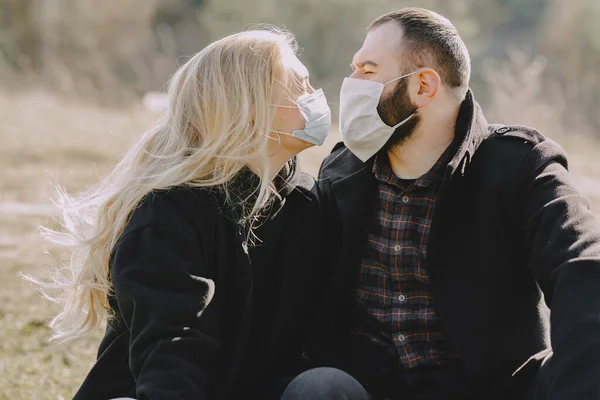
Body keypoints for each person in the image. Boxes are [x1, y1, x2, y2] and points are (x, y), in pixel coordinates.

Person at [282, 7, 600, 400]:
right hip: (369, 385)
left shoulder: (521, 165)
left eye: (367, 70)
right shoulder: (342, 169)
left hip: (494, 388)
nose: (349, 84)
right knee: (316, 387)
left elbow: (583, 270)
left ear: (423, 87)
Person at [34, 28, 332, 400]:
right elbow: (172, 346)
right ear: (250, 106)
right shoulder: (168, 214)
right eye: (299, 84)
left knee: (327, 385)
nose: (315, 97)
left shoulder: (308, 203)